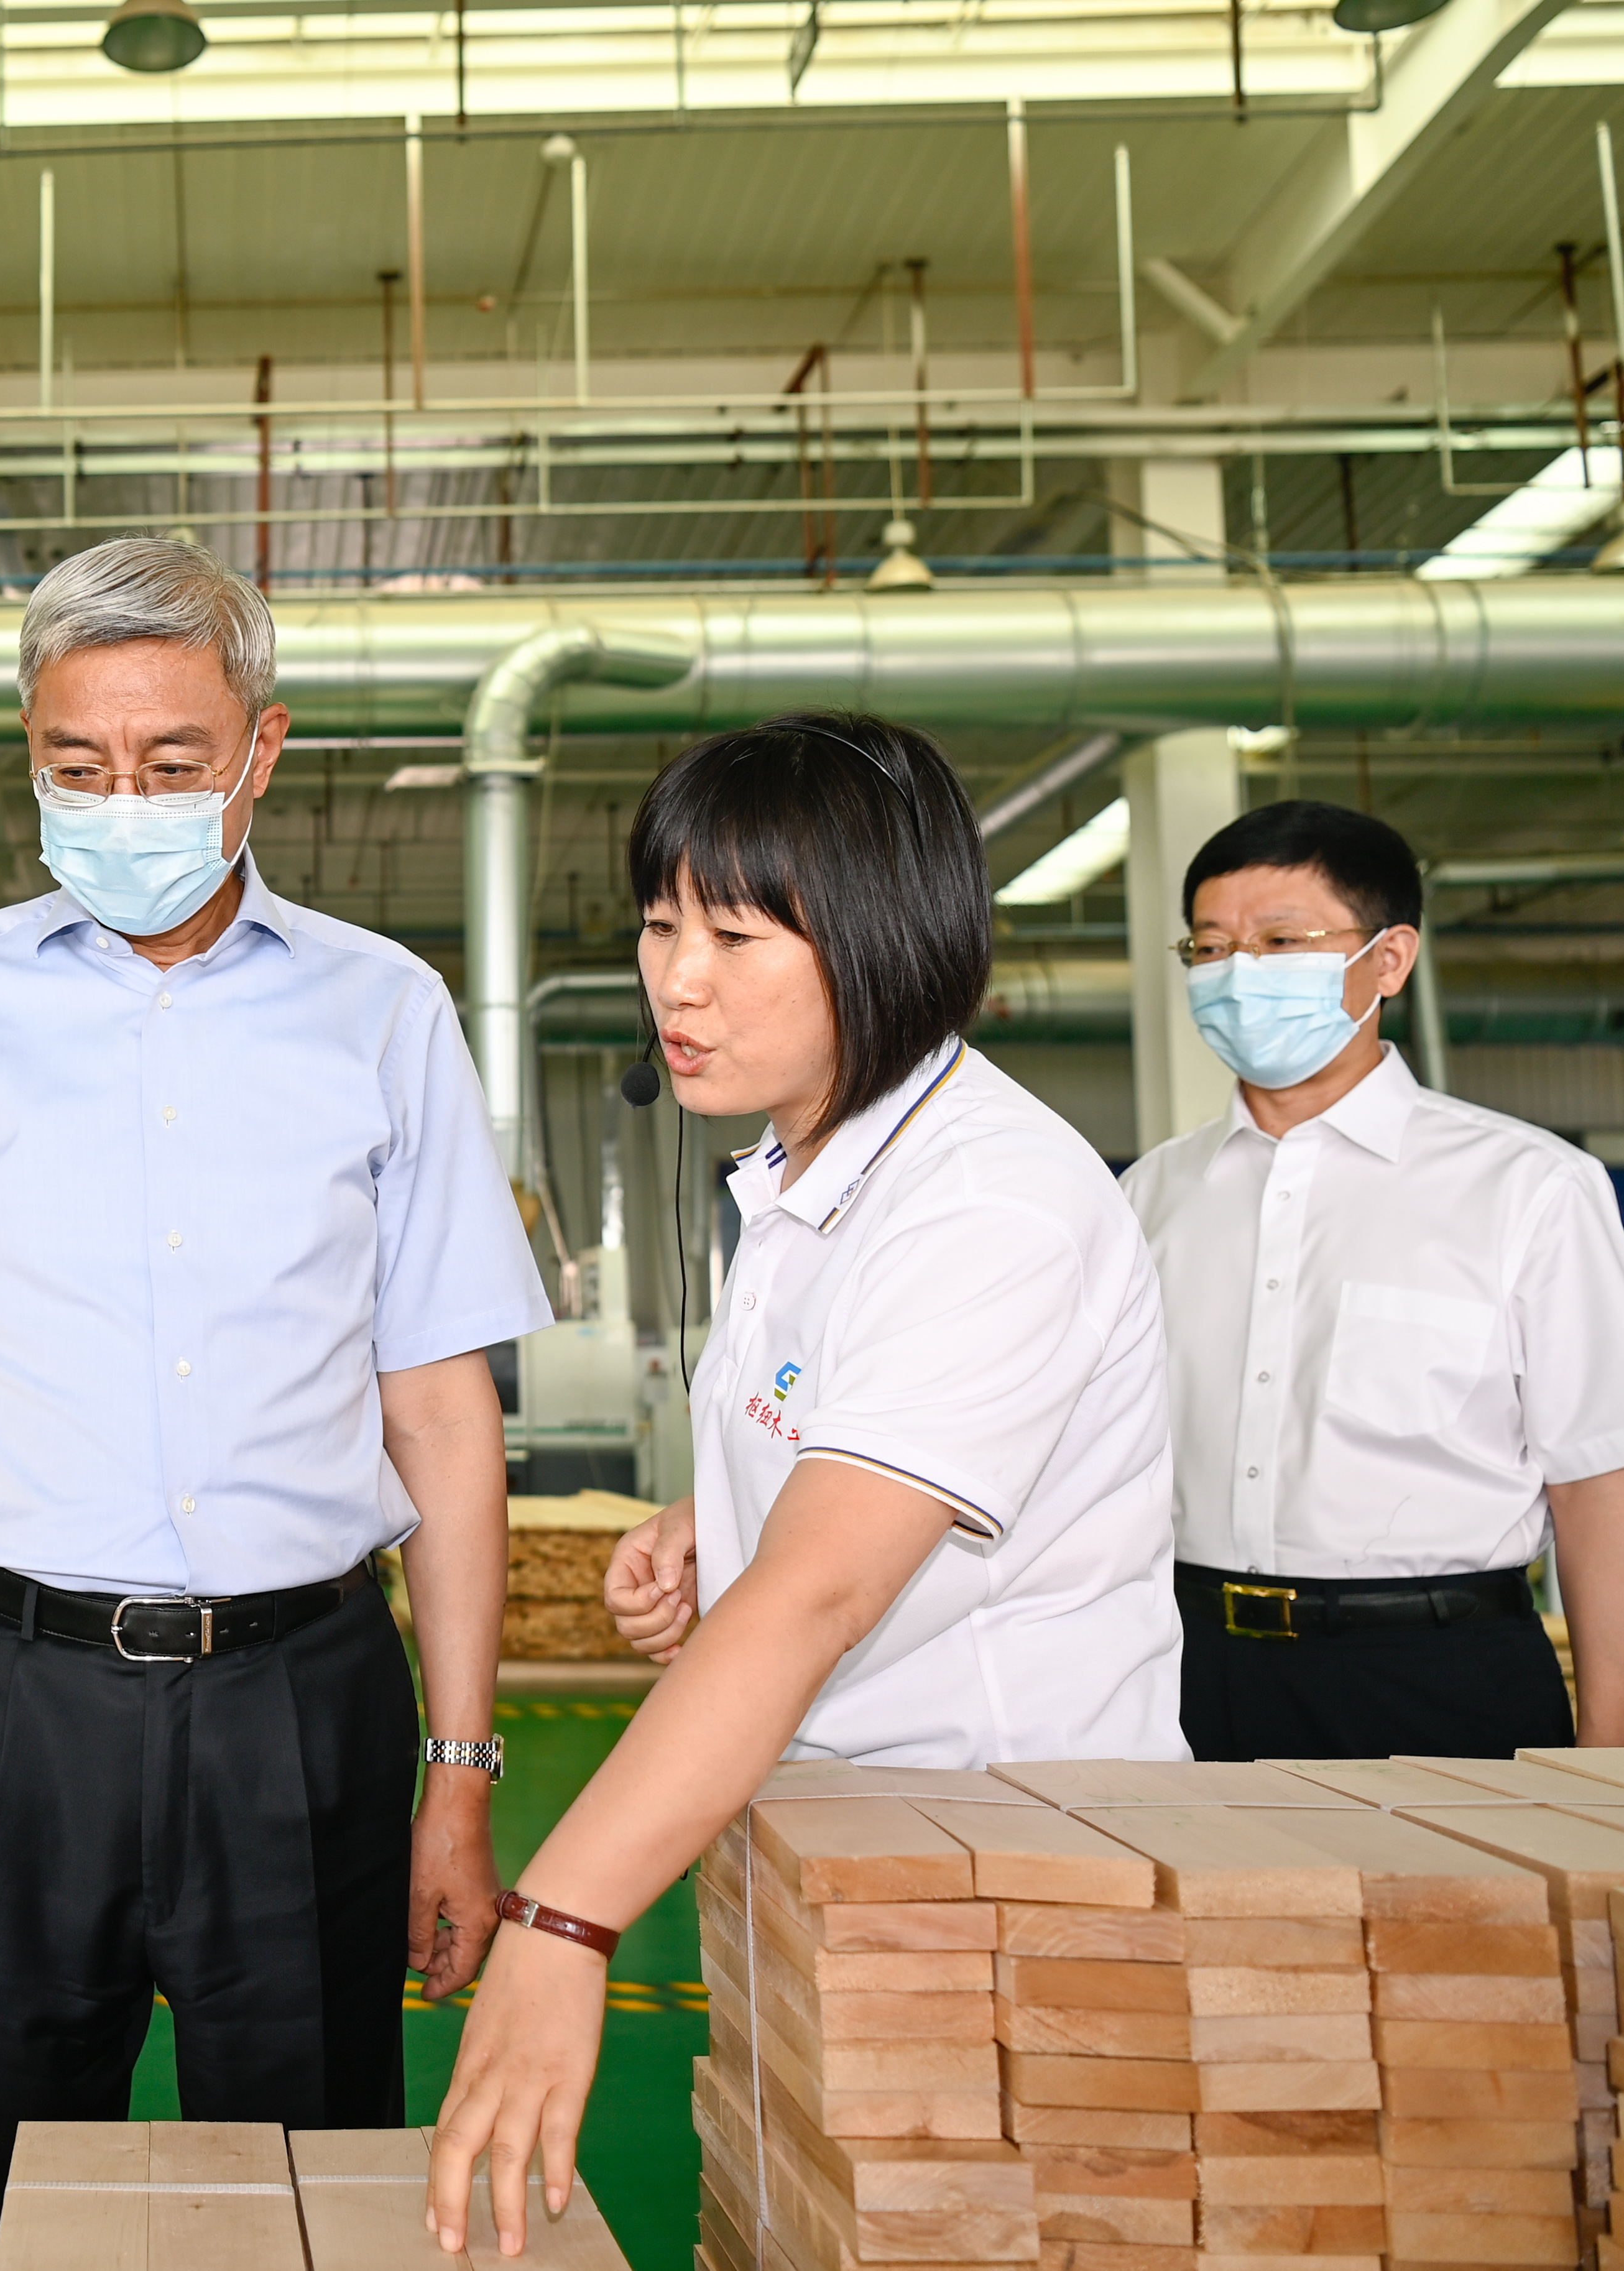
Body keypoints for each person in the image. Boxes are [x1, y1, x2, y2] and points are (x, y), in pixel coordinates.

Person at [0, 536, 551, 2146]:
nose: (121, 803)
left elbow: (440, 1416)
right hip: (1, 1696)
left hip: (302, 1699)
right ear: (32, 754)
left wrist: (458, 1772)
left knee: (307, 2173)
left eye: (171, 763)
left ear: (261, 750)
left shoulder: (384, 1012)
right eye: (79, 767)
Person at [428, 714, 1184, 2254]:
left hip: (1004, 1862)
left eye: (733, 937)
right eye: (658, 926)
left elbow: (823, 1589)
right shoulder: (807, 1175)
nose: (674, 981)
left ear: (880, 940)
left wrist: (560, 1919)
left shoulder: (982, 1200)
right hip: (852, 1838)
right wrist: (718, 1519)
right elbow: (847, 1465)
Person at [1121, 801, 1624, 1761]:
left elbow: (1600, 1498)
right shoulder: (1148, 1196)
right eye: (1210, 949)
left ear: (1387, 960)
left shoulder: (1527, 1188)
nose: (1238, 974)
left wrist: (1611, 1771)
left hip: (1436, 1677)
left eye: (1280, 941)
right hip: (1187, 1670)